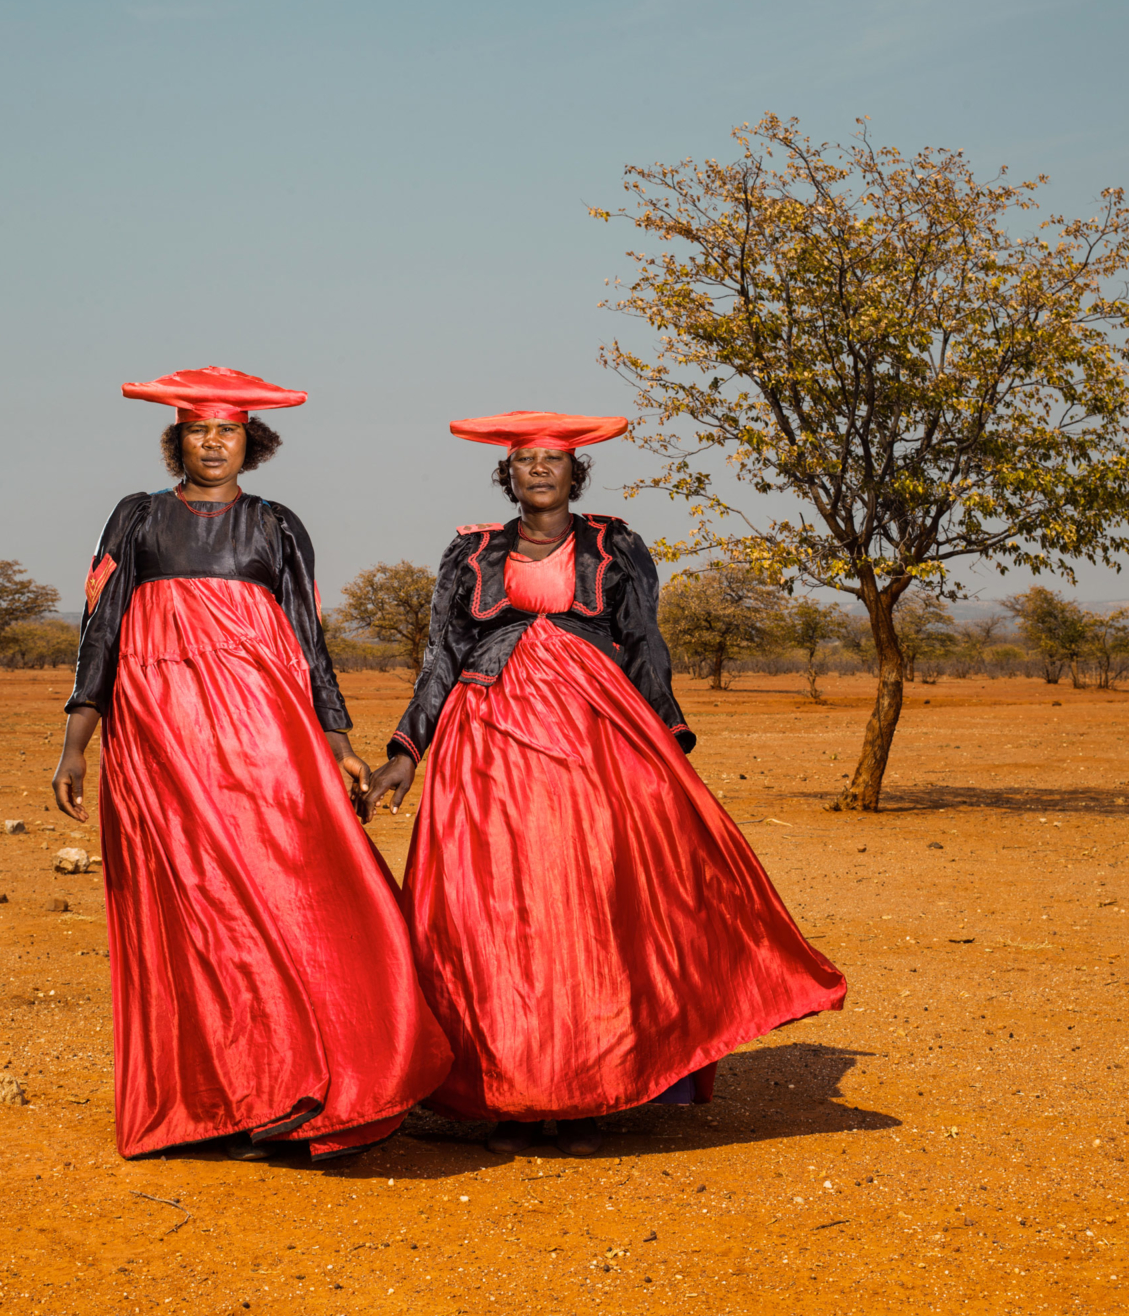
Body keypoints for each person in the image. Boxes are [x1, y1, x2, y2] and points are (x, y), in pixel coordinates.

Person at [358, 410, 846, 1158]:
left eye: (553, 461)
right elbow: (440, 656)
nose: (540, 472)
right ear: (509, 474)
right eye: (526, 462)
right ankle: (509, 1098)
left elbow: (646, 642)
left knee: (583, 909)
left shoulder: (615, 544)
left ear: (573, 473)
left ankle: (583, 1098)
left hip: (592, 739)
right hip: (486, 752)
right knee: (496, 916)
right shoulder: (471, 551)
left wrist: (669, 742)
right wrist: (405, 750)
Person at [52, 366, 451, 1162]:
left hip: (263, 735)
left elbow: (309, 641)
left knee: (281, 893)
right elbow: (102, 628)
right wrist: (77, 733)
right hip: (160, 740)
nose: (212, 442)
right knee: (191, 909)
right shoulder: (135, 520)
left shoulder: (276, 525)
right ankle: (210, 1100)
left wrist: (337, 743)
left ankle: (296, 1084)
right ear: (178, 438)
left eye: (227, 431)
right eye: (199, 430)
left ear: (250, 441)